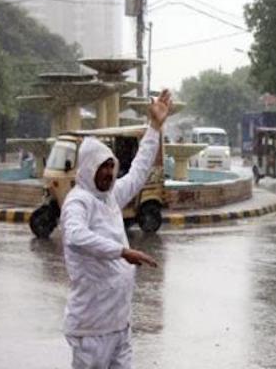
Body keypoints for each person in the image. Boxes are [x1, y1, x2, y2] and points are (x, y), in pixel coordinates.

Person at [60, 89, 172, 369]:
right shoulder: (78, 202)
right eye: (103, 167)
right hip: (91, 330)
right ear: (88, 168)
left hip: (119, 324)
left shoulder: (111, 196)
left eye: (112, 166)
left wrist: (154, 127)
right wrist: (122, 252)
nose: (109, 173)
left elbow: (138, 171)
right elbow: (75, 236)